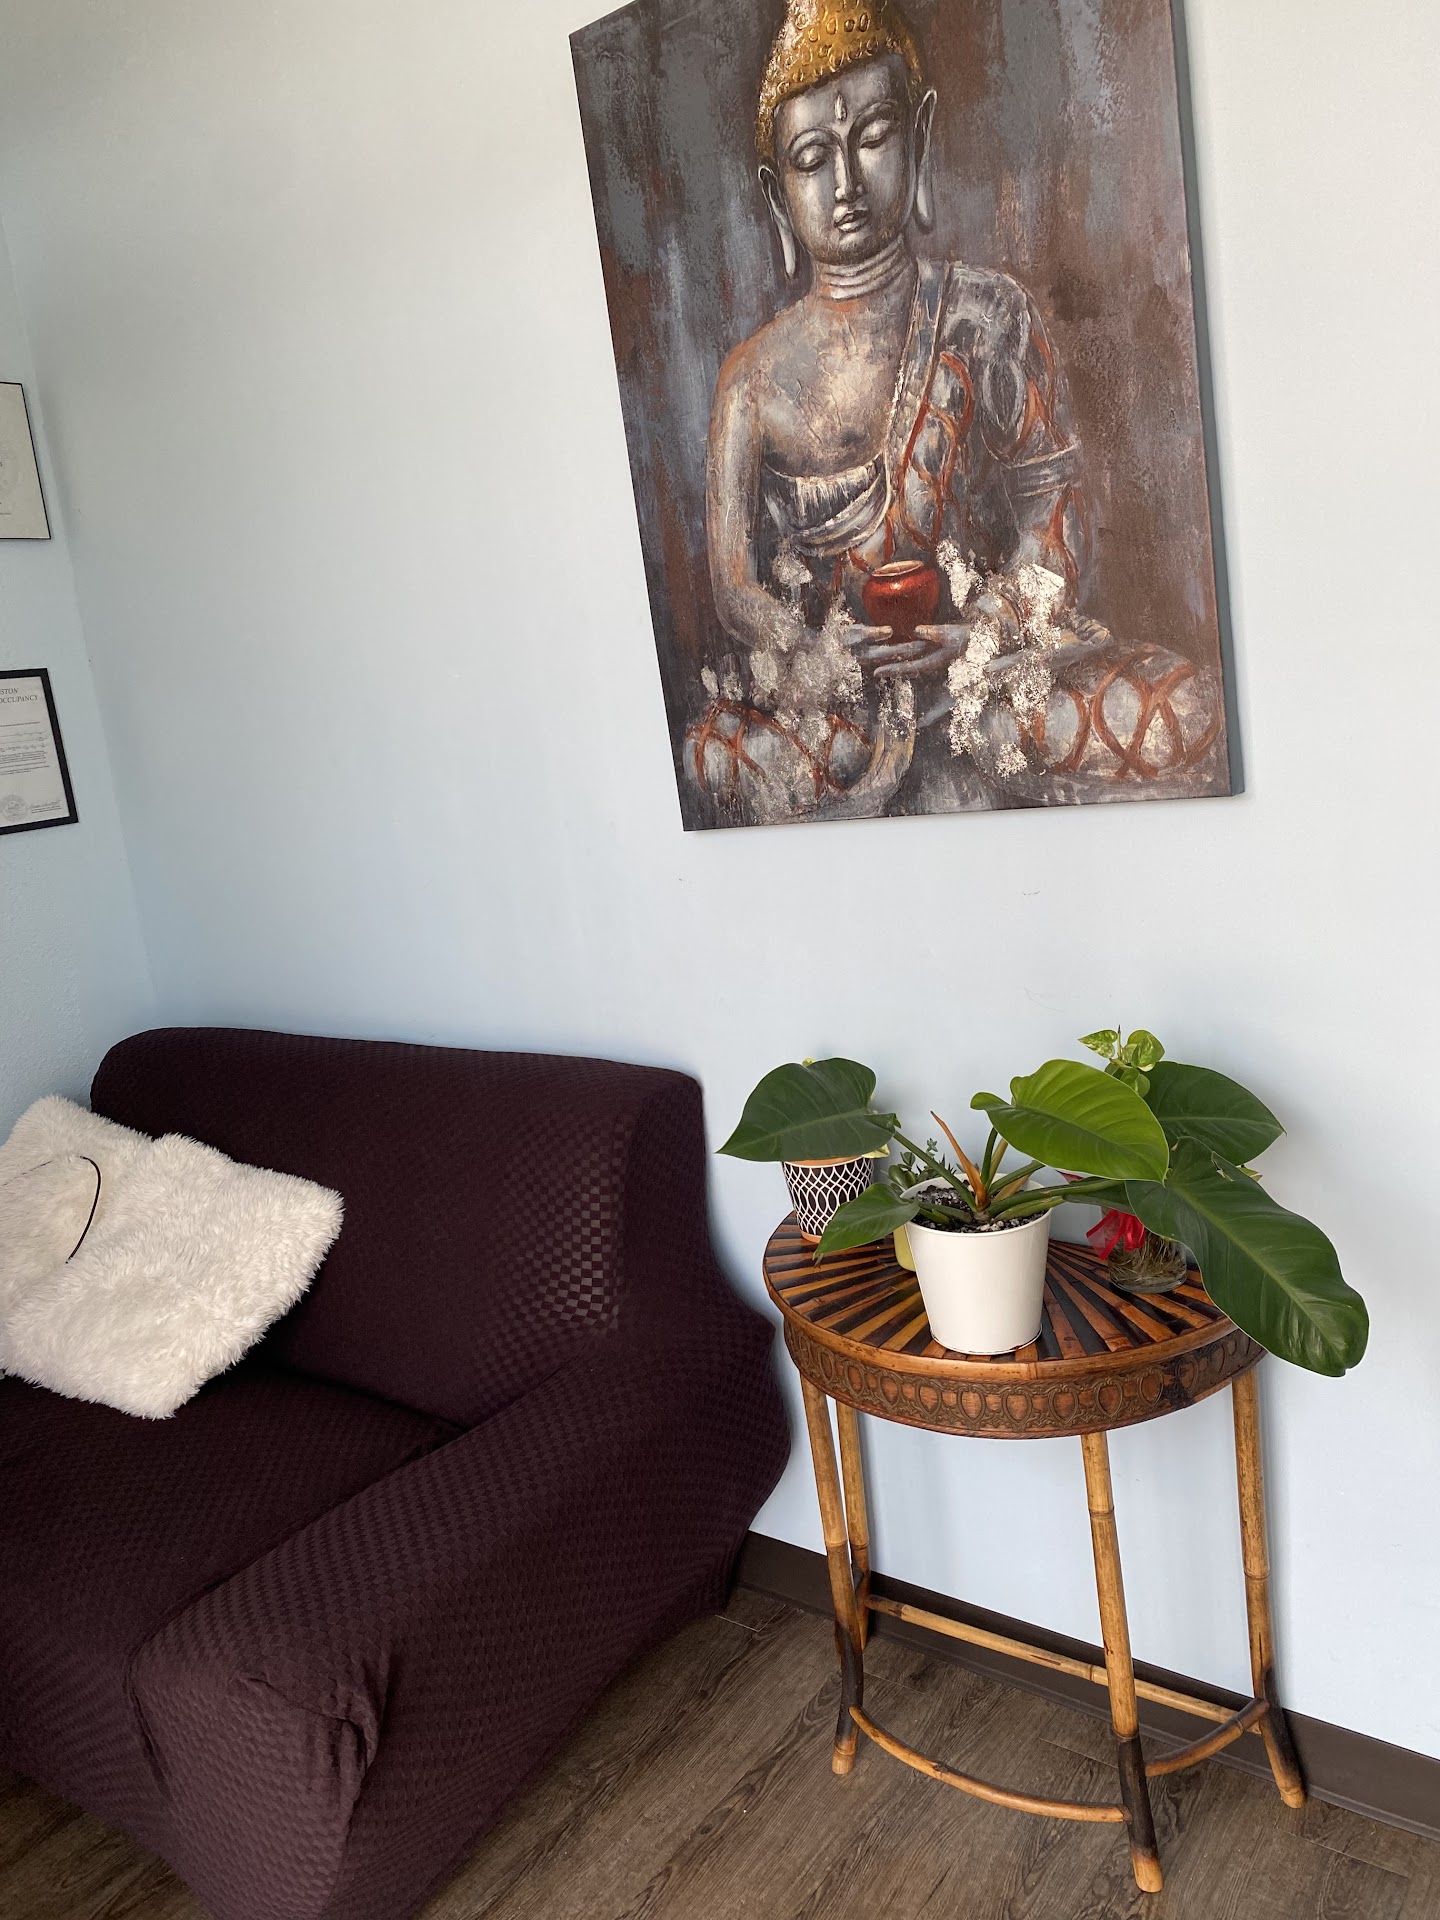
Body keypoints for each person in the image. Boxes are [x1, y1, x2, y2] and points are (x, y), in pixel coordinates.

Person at [690, 0, 1221, 824]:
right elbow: (734, 587)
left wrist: (983, 630)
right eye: (812, 158)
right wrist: (814, 648)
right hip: (840, 705)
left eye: (873, 137)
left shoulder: (987, 314)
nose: (846, 184)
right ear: (776, 193)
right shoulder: (750, 380)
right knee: (712, 749)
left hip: (990, 684)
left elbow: (1057, 516)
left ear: (921, 136)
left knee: (1184, 708)